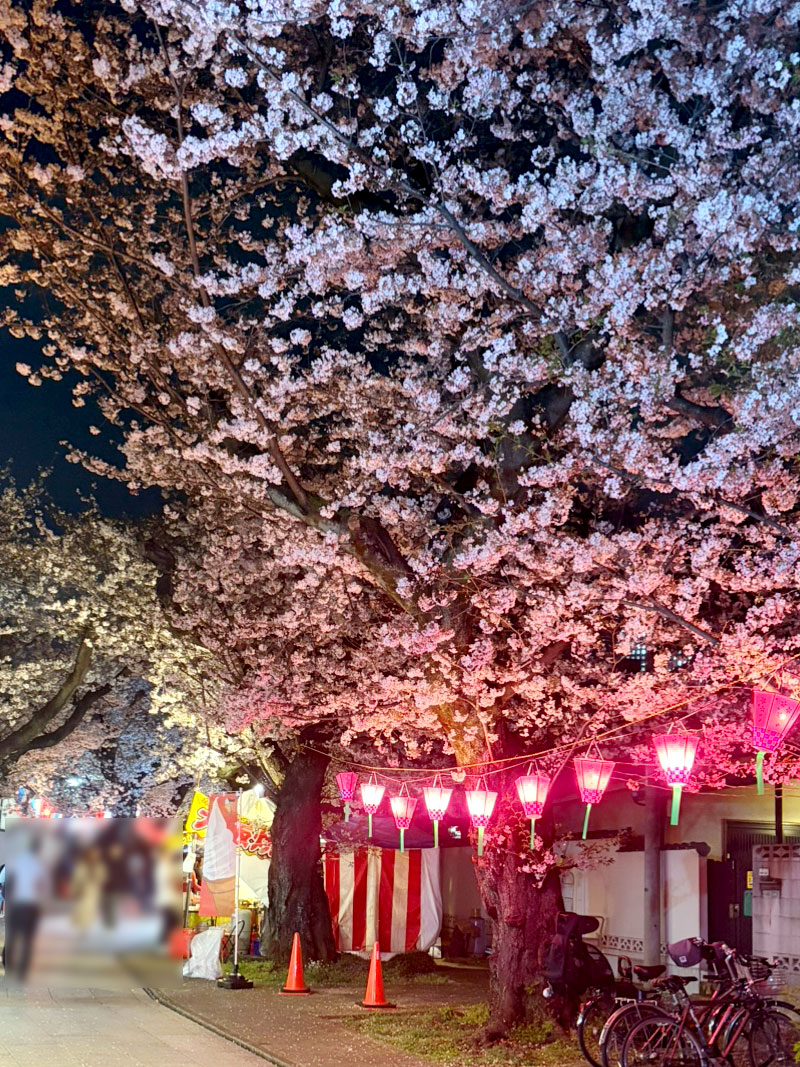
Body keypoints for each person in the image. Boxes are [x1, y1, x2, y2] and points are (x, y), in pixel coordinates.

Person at [4, 837, 48, 981]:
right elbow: (43, 889)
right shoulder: (40, 866)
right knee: (28, 940)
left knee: (12, 936)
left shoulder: (15, 862)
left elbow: (7, 886)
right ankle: (22, 973)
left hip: (16, 906)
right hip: (31, 907)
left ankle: (8, 966)